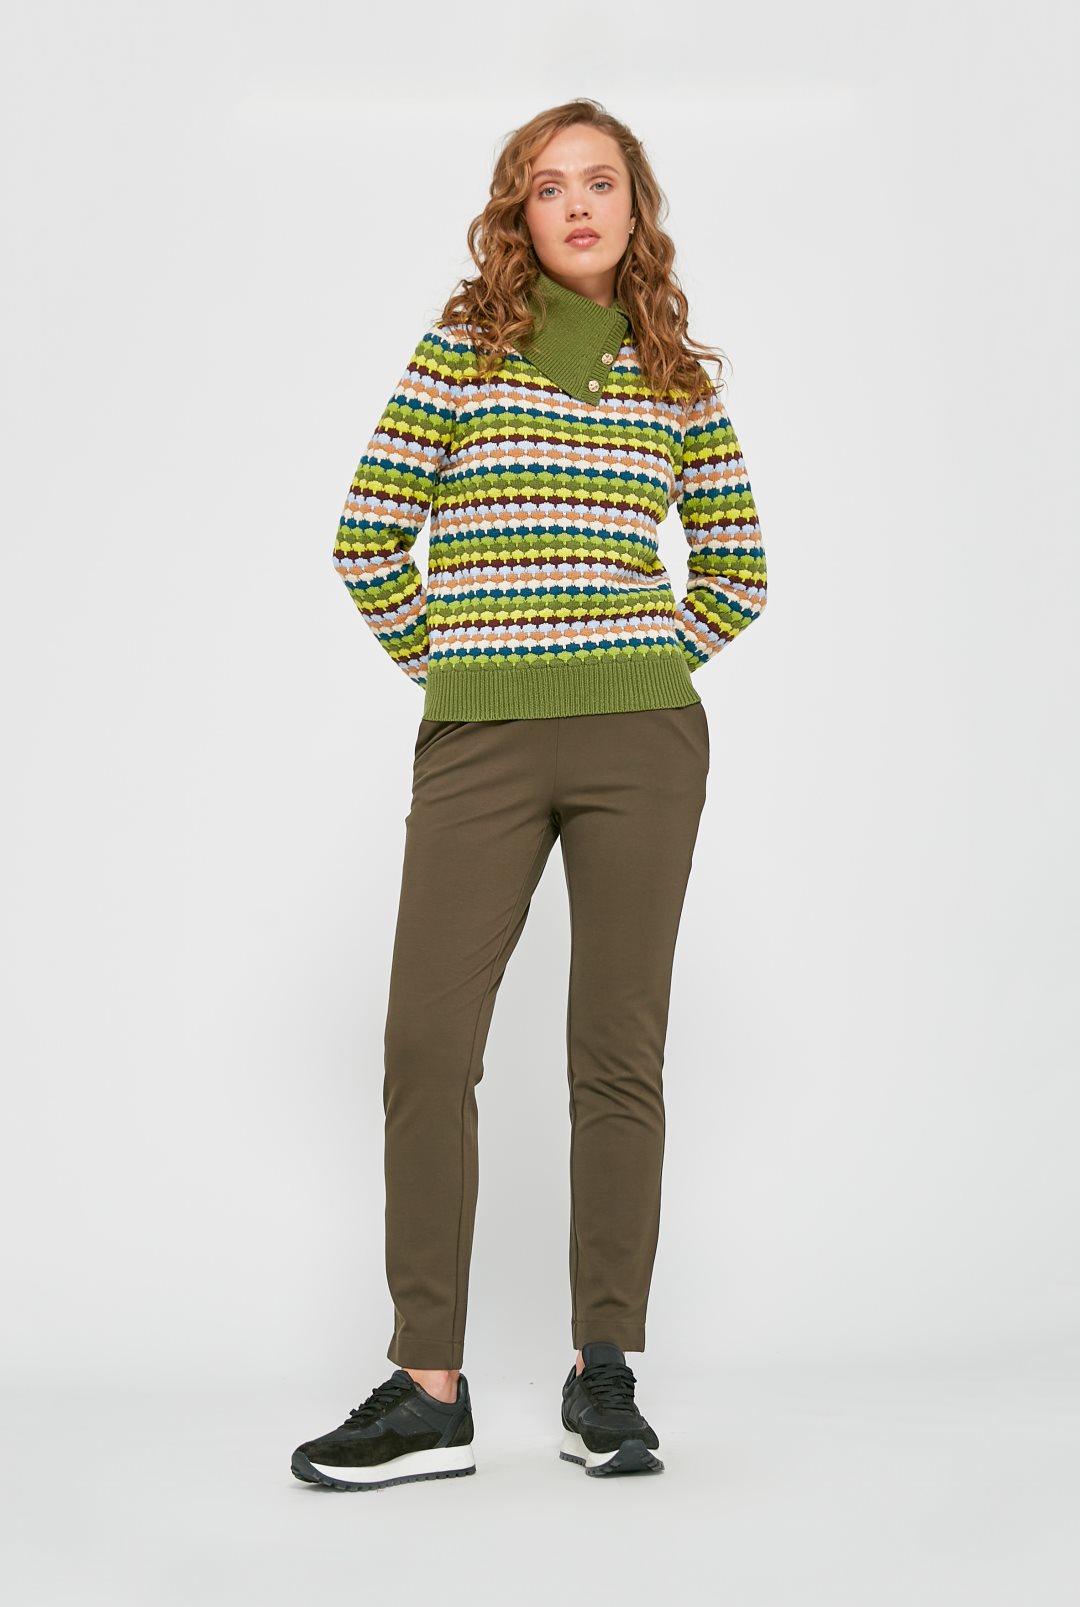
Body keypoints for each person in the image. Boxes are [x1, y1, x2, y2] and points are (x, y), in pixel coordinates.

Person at [291, 97, 767, 1492]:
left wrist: (638, 661)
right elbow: (365, 534)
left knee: (617, 1054)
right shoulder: (463, 347)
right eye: (548, 186)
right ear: (519, 212)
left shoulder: (675, 374)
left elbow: (738, 568)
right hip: (482, 742)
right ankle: (426, 1387)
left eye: (599, 182)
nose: (577, 206)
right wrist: (461, 665)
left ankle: (601, 1372)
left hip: (641, 743)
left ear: (635, 207)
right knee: (427, 1045)